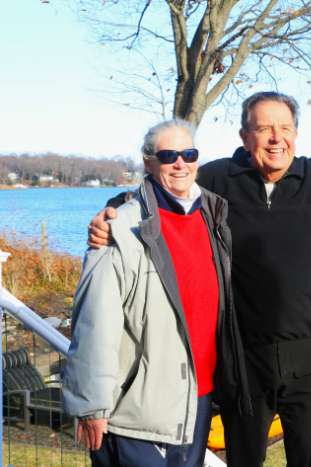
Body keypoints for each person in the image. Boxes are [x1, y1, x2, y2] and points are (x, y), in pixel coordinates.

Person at [87, 92, 311, 467]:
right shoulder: (218, 178)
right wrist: (116, 209)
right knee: (244, 459)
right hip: (242, 355)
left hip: (309, 354)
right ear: (243, 135)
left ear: (296, 133)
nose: (275, 138)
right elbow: (163, 189)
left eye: (284, 128)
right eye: (263, 128)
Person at [63, 119, 249, 466]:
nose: (180, 163)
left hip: (199, 400)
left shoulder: (213, 218)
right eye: (168, 155)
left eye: (188, 153)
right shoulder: (121, 228)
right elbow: (94, 322)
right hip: (138, 411)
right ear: (148, 161)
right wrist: (91, 405)